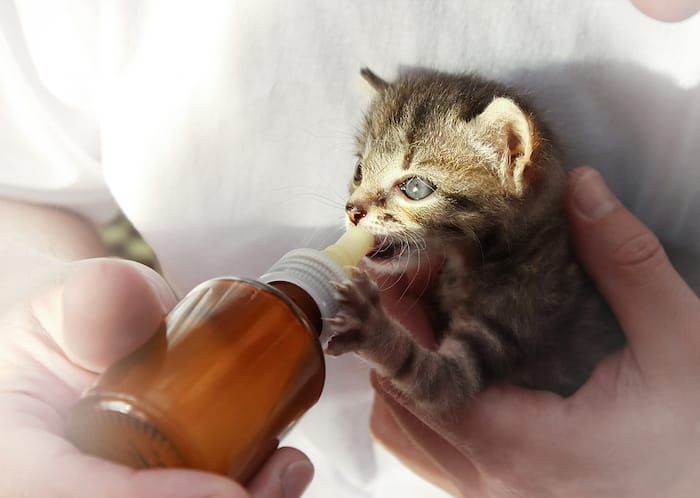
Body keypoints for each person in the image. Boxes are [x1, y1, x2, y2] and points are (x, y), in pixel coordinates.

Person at [0, 1, 698, 497]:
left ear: (514, 158)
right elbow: (21, 191)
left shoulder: (529, 278)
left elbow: (452, 381)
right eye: (361, 174)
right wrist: (23, 358)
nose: (360, 209)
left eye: (413, 185)